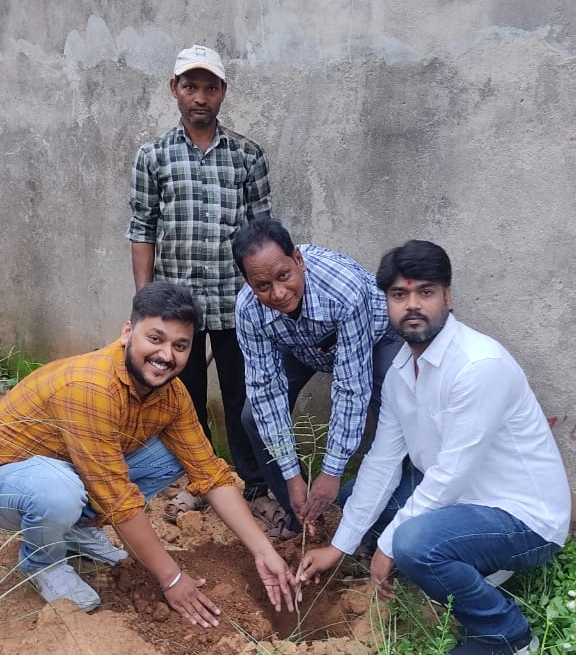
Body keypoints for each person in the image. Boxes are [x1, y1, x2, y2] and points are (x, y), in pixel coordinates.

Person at [297, 240, 571, 655]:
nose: (412, 305)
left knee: (411, 542)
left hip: (522, 516)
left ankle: (507, 635)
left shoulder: (479, 365)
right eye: (399, 295)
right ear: (387, 304)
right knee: (357, 498)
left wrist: (389, 546)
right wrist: (339, 547)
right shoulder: (401, 371)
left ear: (448, 297)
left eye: (425, 292)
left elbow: (450, 476)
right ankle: (461, 562)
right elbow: (383, 461)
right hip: (463, 500)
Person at [0, 282, 295, 625]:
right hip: (12, 482)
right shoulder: (91, 388)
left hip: (68, 469)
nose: (166, 355)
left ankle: (73, 529)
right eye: (156, 338)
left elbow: (209, 474)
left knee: (176, 453)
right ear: (127, 332)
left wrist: (263, 552)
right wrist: (172, 578)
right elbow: (117, 497)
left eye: (180, 346)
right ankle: (42, 562)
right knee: (58, 493)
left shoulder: (173, 395)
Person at [126, 44, 273, 518]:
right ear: (175, 89)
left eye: (210, 88)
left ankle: (255, 483)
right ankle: (200, 478)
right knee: (183, 398)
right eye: (191, 86)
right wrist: (147, 302)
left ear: (223, 92)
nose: (200, 97)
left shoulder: (247, 155)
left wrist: (265, 294)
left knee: (242, 392)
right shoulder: (154, 156)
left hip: (237, 301)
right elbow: (143, 228)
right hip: (178, 307)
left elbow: (261, 231)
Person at [232, 218, 402, 539]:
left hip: (376, 339)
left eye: (284, 276)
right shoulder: (248, 310)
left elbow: (351, 388)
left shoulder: (344, 291)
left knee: (395, 417)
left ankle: (381, 526)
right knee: (254, 416)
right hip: (305, 346)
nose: (278, 293)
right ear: (249, 284)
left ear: (298, 259)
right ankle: (302, 517)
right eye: (262, 286)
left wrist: (332, 472)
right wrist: (292, 477)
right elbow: (266, 393)